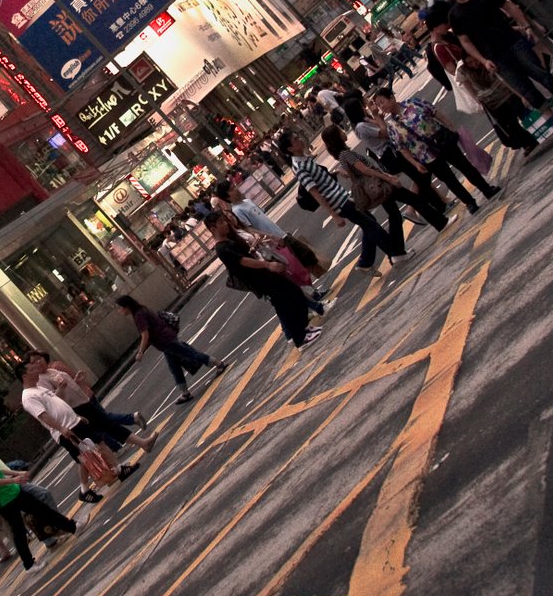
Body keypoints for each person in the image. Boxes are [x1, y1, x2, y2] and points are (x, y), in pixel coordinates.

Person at [440, 0, 553, 121]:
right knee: (523, 87)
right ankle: (551, 117)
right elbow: (465, 41)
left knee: (539, 72)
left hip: (512, 41)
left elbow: (509, 7)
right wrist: (483, 60)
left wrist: (525, 25)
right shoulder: (454, 15)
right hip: (494, 56)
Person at [18, 356, 144, 504]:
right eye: (31, 369)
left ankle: (91, 486)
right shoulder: (28, 396)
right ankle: (115, 471)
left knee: (90, 452)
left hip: (73, 422)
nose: (35, 370)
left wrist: (76, 416)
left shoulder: (38, 388)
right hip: (65, 429)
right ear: (24, 376)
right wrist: (62, 428)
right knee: (86, 456)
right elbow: (43, 416)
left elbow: (57, 404)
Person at [0, 424, 79, 572]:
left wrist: (16, 474)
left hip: (12, 492)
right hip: (3, 500)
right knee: (20, 530)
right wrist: (13, 480)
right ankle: (30, 563)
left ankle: (73, 528)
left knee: (41, 511)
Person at [277, 130, 402, 273]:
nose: (300, 139)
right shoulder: (299, 167)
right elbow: (314, 191)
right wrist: (334, 215)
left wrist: (335, 173)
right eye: (295, 139)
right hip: (338, 202)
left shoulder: (305, 159)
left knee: (369, 222)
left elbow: (318, 178)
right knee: (371, 225)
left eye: (298, 136)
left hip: (341, 196)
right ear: (290, 148)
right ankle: (395, 254)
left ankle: (366, 261)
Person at [204, 210, 323, 350]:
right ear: (213, 229)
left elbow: (247, 255)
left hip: (265, 275)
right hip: (261, 279)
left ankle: (303, 330)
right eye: (221, 222)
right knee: (287, 303)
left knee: (292, 296)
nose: (225, 224)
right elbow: (244, 261)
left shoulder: (229, 241)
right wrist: (268, 265)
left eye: (224, 220)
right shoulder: (222, 248)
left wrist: (254, 248)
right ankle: (300, 338)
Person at [319, 123, 447, 252]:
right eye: (340, 131)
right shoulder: (346, 154)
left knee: (394, 215)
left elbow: (354, 174)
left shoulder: (342, 156)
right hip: (379, 184)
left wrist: (343, 172)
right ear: (337, 137)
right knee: (413, 200)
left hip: (375, 187)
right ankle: (441, 223)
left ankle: (397, 252)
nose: (343, 132)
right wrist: (388, 178)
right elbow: (365, 170)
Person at [371, 88, 500, 214]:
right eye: (379, 105)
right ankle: (469, 202)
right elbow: (402, 148)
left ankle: (486, 189)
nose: (382, 107)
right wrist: (415, 164)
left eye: (382, 102)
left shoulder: (413, 103)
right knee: (449, 180)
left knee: (465, 166)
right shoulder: (392, 126)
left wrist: (450, 126)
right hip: (426, 155)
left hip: (441, 140)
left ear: (392, 98)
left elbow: (434, 112)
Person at [114, 294, 225, 404]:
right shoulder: (142, 310)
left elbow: (145, 335)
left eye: (120, 308)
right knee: (175, 367)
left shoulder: (139, 316)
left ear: (126, 306)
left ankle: (219, 364)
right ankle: (185, 393)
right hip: (166, 340)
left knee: (190, 354)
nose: (119, 311)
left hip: (166, 341)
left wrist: (140, 352)